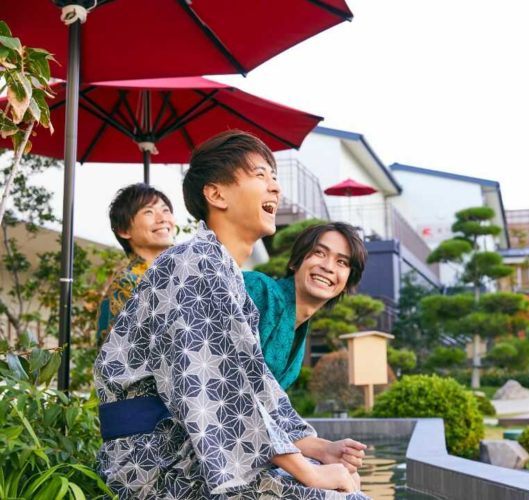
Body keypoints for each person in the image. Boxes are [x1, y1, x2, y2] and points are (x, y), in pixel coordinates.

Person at [94, 130, 368, 499]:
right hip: (154, 462)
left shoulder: (223, 274)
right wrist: (310, 471)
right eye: (260, 175)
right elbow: (217, 390)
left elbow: (259, 389)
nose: (275, 188)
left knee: (343, 488)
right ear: (216, 194)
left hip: (186, 451)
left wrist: (318, 451)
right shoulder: (194, 265)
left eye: (275, 178)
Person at [243, 222, 367, 391]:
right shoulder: (258, 289)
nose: (328, 267)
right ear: (295, 261)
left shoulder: (298, 337)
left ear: (346, 283)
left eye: (342, 262)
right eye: (319, 252)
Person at [95, 183, 175, 347]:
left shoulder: (184, 272)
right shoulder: (128, 284)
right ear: (124, 230)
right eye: (149, 212)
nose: (162, 218)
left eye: (165, 210)